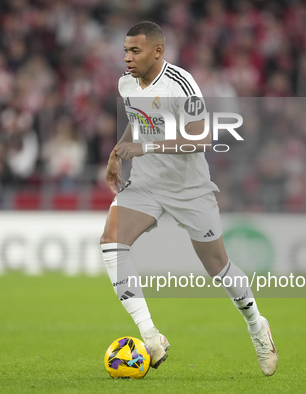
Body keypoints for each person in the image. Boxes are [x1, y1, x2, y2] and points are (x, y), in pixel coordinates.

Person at [99, 21, 278, 376]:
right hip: (147, 184)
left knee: (219, 268)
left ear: (157, 52)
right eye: (125, 50)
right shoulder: (125, 83)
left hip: (190, 190)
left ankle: (257, 326)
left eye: (135, 51)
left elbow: (200, 140)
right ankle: (150, 336)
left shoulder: (182, 85)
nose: (127, 57)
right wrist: (117, 152)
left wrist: (143, 146)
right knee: (110, 243)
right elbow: (138, 120)